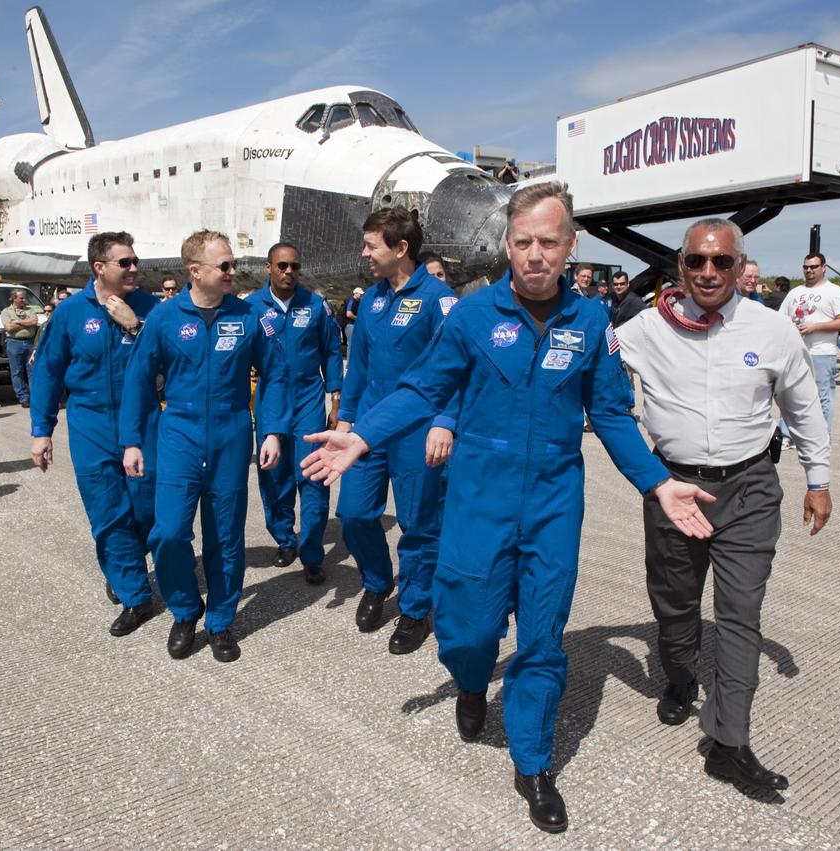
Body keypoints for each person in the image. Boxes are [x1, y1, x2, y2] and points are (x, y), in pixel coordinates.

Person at [300, 183, 713, 833]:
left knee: (543, 641)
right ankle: (469, 681)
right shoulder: (469, 316)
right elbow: (423, 386)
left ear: (570, 246)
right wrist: (365, 433)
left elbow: (609, 412)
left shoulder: (591, 323)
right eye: (523, 242)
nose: (535, 254)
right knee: (468, 630)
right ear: (508, 246)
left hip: (553, 501)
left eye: (549, 242)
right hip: (478, 498)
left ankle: (533, 761)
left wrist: (657, 483)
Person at [617, 217, 832, 794]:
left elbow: (804, 405)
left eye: (721, 262)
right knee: (675, 603)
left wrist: (819, 476)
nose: (708, 272)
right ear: (679, 267)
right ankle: (681, 679)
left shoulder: (773, 328)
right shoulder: (642, 328)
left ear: (740, 266)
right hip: (674, 488)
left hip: (750, 489)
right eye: (696, 261)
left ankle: (730, 742)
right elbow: (588, 365)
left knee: (740, 616)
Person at [120, 230, 286, 664]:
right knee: (170, 531)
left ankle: (220, 621)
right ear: (195, 271)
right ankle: (185, 609)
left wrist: (270, 431)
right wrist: (132, 441)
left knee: (226, 534)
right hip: (179, 430)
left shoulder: (250, 317)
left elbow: (275, 375)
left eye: (233, 265)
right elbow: (139, 380)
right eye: (224, 266)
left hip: (232, 430)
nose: (234, 272)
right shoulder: (164, 317)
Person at [336, 207, 458, 656]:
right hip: (369, 426)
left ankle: (414, 607)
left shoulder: (439, 299)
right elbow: (360, 366)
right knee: (354, 513)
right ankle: (376, 580)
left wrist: (445, 421)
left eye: (372, 245)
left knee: (418, 524)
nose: (365, 253)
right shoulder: (371, 300)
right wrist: (346, 419)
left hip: (418, 430)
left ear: (401, 248)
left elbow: (454, 370)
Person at [30, 231, 163, 636]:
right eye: (124, 262)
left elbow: (173, 361)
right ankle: (135, 595)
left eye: (135, 260)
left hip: (141, 420)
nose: (134, 268)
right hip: (90, 422)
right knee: (108, 512)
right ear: (99, 267)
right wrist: (42, 430)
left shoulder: (151, 308)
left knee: (149, 506)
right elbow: (48, 372)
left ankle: (124, 560)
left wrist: (135, 325)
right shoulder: (70, 313)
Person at [245, 242, 343, 583]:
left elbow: (332, 351)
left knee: (313, 475)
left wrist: (336, 400)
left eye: (295, 267)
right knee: (274, 476)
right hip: (270, 398)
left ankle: (312, 553)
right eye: (282, 266)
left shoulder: (316, 306)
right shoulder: (249, 308)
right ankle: (285, 539)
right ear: (268, 268)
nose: (289, 272)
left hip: (307, 400)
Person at [779, 253, 840, 435]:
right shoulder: (795, 293)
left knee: (821, 398)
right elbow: (782, 318)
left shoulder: (835, 292)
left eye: (813, 266)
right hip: (796, 353)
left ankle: (820, 437)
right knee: (790, 396)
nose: (809, 270)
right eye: (806, 267)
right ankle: (788, 435)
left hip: (822, 353)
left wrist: (816, 327)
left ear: (823, 267)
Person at [1, 289, 40, 408]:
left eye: (24, 298)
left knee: (32, 370)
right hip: (14, 343)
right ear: (14, 298)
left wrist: (17, 322)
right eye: (21, 298)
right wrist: (25, 322)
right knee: (17, 371)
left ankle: (35, 396)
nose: (24, 300)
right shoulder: (6, 312)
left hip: (30, 342)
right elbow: (9, 327)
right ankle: (23, 397)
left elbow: (34, 321)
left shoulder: (30, 310)